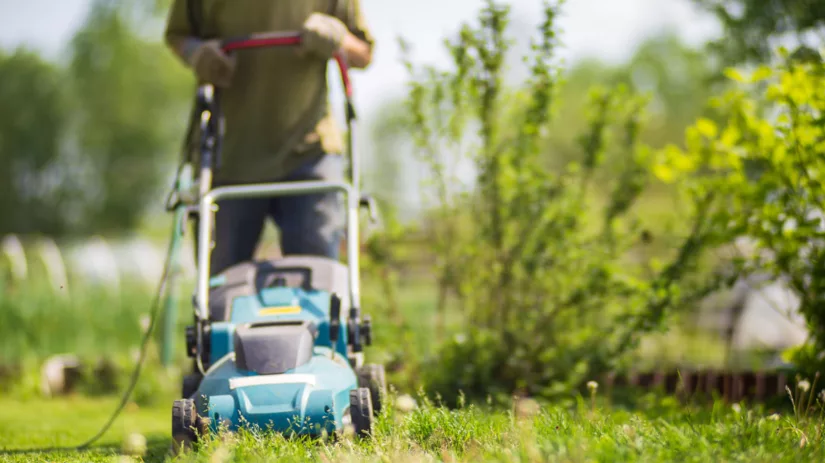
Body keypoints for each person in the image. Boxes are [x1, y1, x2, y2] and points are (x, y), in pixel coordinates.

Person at [163, 0, 374, 276]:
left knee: (319, 283)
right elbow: (178, 35)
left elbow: (364, 52)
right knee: (218, 290)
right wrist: (196, 52)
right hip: (228, 155)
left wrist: (336, 36)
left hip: (309, 152)